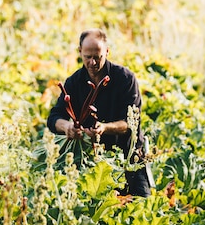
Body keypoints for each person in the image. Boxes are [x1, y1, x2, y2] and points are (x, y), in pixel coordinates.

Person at [47, 28, 151, 197]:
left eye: (98, 57)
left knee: (142, 204)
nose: (92, 63)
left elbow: (131, 123)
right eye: (88, 57)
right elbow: (54, 117)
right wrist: (67, 127)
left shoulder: (125, 79)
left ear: (107, 52)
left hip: (128, 155)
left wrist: (104, 128)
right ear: (80, 52)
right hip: (90, 157)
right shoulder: (74, 82)